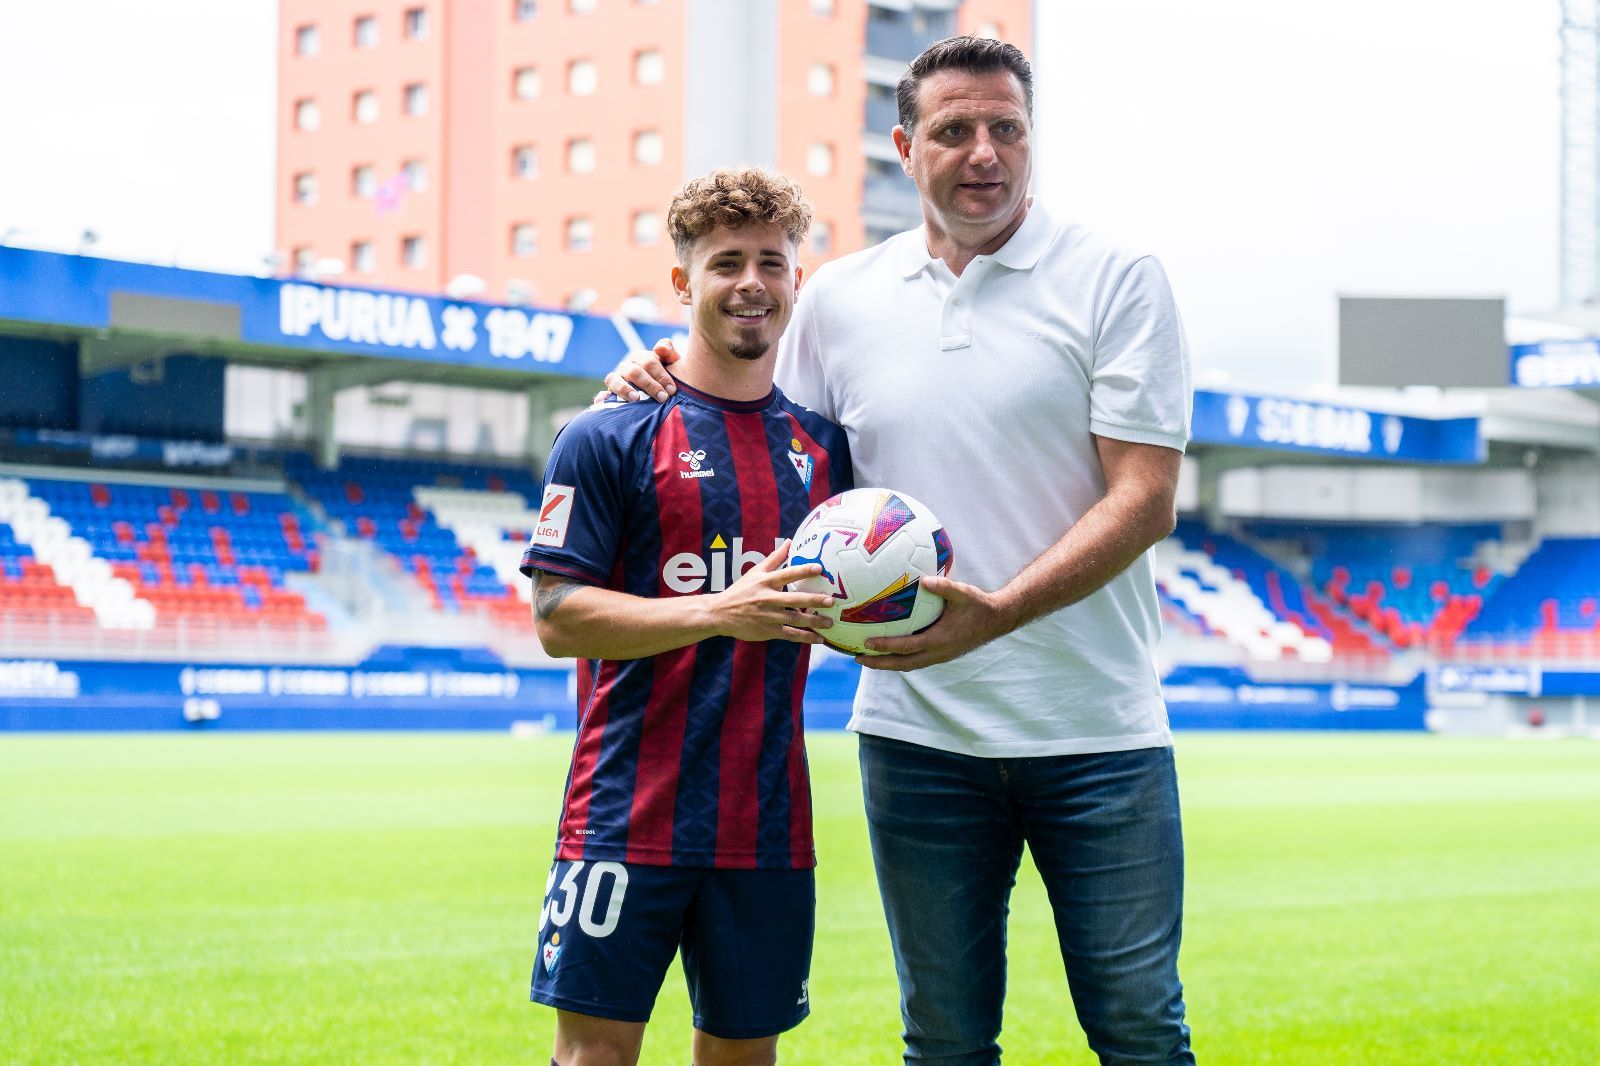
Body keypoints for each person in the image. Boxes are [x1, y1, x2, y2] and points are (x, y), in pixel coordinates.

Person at [605, 36, 1196, 1066]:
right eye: (954, 130)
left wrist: (997, 611)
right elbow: (751, 420)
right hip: (917, 740)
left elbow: (1143, 501)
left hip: (1096, 733)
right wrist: (654, 369)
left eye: (1006, 129)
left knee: (1140, 1027)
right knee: (944, 1041)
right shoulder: (838, 298)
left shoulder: (1116, 279)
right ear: (904, 144)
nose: (984, 153)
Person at [522, 166, 852, 1066]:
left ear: (796, 279)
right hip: (624, 812)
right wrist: (722, 609)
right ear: (683, 282)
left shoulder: (828, 455)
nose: (752, 282)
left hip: (769, 822)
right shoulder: (605, 435)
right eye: (727, 262)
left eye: (773, 263)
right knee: (594, 1057)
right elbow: (557, 618)